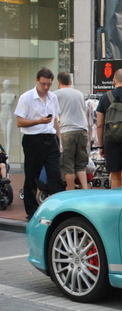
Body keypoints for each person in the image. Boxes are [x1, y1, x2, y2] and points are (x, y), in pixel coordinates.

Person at [15, 68, 66, 220]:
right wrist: (38, 121)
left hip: (50, 138)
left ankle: (58, 208)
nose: (46, 87)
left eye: (49, 84)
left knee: (55, 174)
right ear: (37, 81)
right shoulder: (27, 97)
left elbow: (55, 120)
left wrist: (59, 139)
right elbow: (19, 121)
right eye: (43, 84)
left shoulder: (53, 97)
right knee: (32, 174)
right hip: (33, 139)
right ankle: (31, 210)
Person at [55, 72, 90, 190]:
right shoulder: (80, 94)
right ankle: (85, 189)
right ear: (71, 82)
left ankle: (71, 190)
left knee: (68, 163)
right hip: (82, 130)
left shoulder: (56, 94)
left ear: (59, 82)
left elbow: (55, 115)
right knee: (81, 164)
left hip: (67, 130)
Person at [0, 79, 16, 156]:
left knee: (9, 136)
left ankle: (8, 156)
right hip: (2, 116)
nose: (4, 85)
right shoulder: (1, 95)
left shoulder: (13, 96)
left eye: (5, 84)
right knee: (5, 137)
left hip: (9, 116)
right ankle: (5, 155)